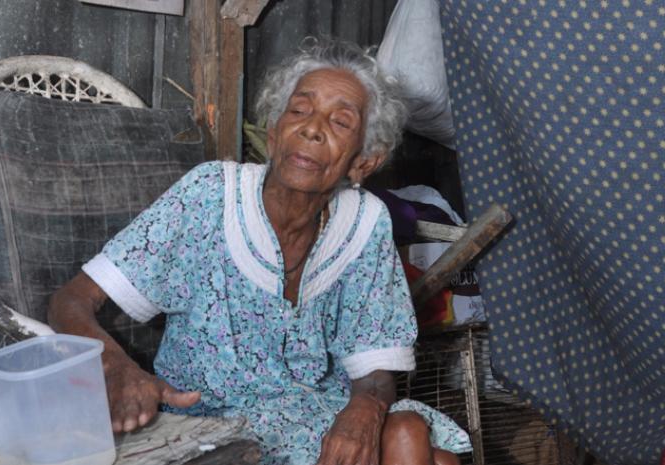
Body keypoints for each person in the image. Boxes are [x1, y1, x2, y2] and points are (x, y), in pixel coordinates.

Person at [48, 38, 471, 465]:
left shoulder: (366, 221)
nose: (311, 128)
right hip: (213, 419)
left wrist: (366, 407)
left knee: (407, 430)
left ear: (363, 163)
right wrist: (116, 366)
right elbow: (70, 302)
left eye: (340, 122)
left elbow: (375, 362)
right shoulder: (211, 195)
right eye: (299, 111)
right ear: (274, 134)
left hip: (313, 411)